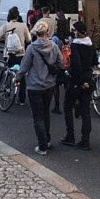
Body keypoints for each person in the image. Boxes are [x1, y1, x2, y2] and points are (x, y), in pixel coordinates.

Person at [16, 20, 63, 156]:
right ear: (47, 32)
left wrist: (18, 77)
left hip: (34, 86)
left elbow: (24, 66)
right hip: (49, 85)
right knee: (46, 112)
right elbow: (61, 62)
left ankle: (42, 146)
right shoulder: (54, 46)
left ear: (36, 33)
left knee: (37, 117)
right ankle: (47, 140)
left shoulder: (32, 48)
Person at [0, 6, 32, 105]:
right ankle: (21, 99)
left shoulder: (5, 26)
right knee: (21, 75)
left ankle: (7, 93)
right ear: (17, 16)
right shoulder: (23, 26)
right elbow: (29, 39)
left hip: (9, 54)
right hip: (21, 54)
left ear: (9, 16)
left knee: (8, 72)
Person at [61, 21, 95, 149]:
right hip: (88, 78)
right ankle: (85, 140)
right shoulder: (90, 44)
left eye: (74, 30)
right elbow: (94, 61)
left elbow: (75, 65)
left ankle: (70, 135)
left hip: (76, 81)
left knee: (67, 107)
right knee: (86, 110)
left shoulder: (75, 45)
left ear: (79, 32)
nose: (73, 32)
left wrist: (79, 81)